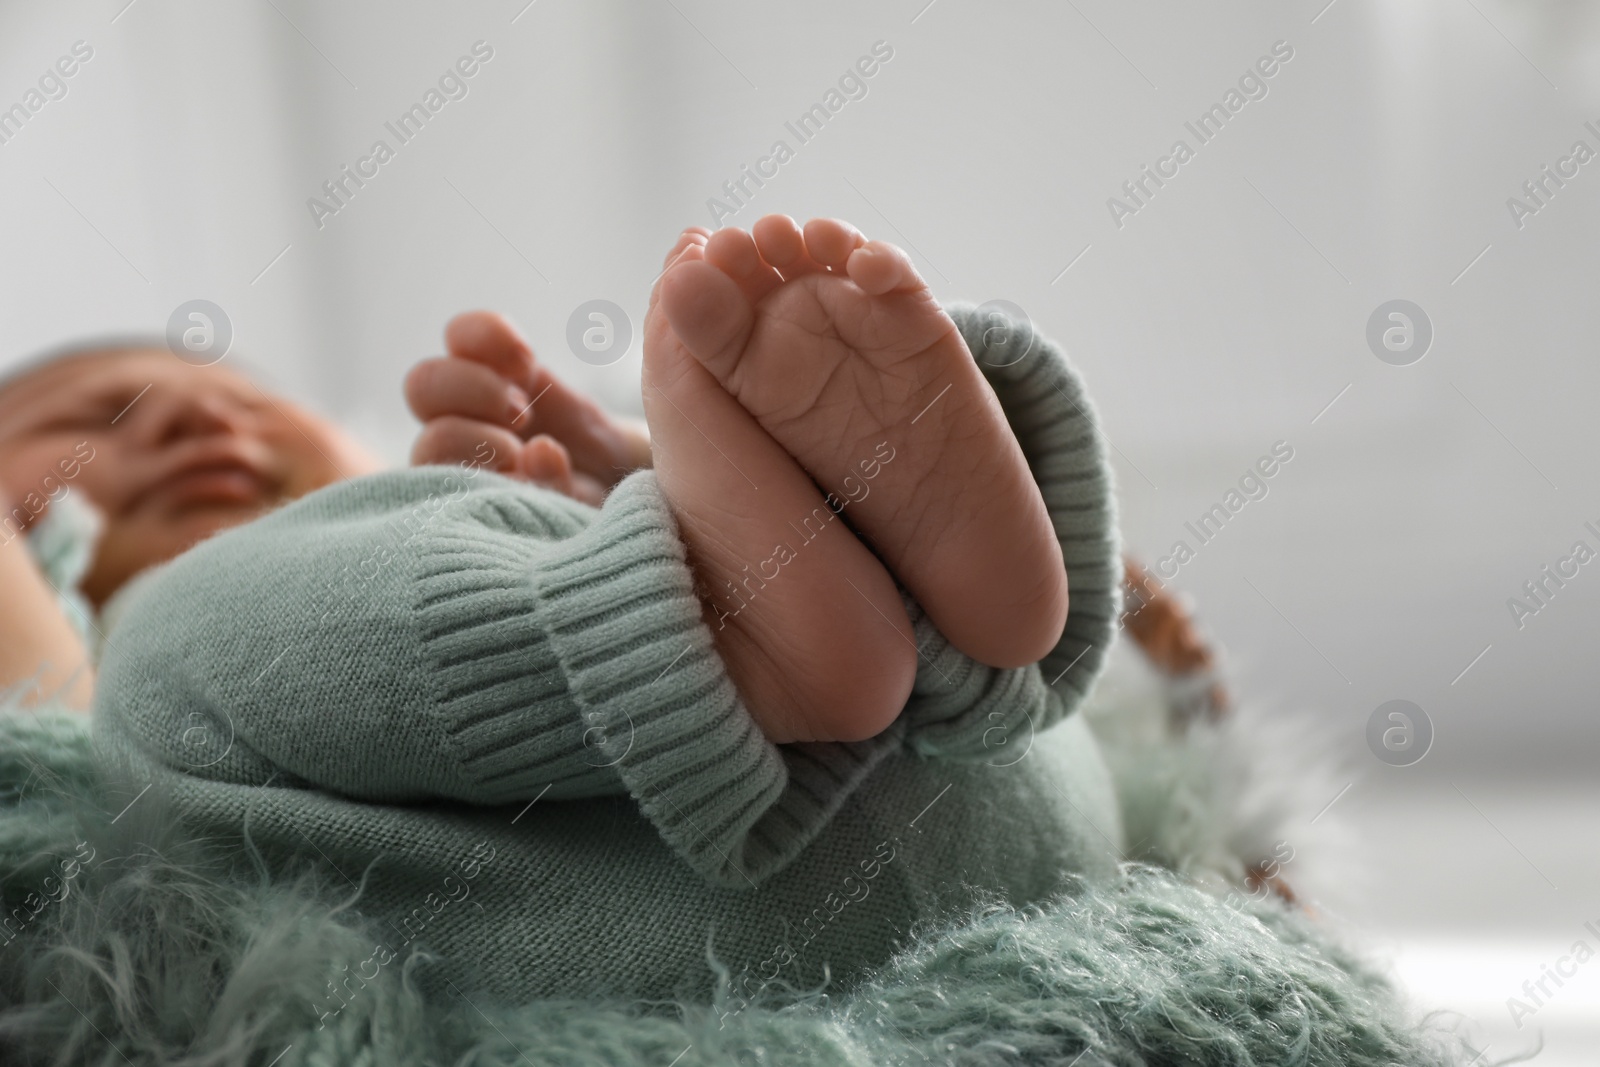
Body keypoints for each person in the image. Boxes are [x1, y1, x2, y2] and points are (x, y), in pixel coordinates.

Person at [85, 215, 1126, 1006]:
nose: (186, 408)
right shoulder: (91, 628)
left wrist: (602, 477)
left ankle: (754, 560)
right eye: (87, 419)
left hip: (916, 813)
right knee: (146, 651)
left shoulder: (397, 533)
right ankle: (752, 580)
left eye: (258, 409)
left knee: (167, 665)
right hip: (991, 856)